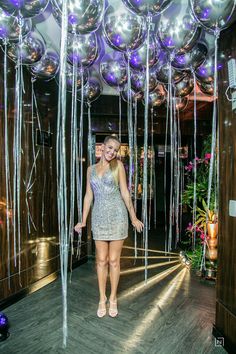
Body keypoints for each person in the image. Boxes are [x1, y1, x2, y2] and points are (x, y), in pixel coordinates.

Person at [74, 134, 143, 318]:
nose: (112, 152)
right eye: (110, 147)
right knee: (100, 261)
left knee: (113, 261)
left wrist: (133, 217)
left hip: (117, 216)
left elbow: (125, 193)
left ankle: (113, 298)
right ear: (102, 147)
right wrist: (82, 220)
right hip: (99, 218)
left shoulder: (118, 166)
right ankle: (101, 297)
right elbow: (88, 196)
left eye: (115, 149)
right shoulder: (90, 169)